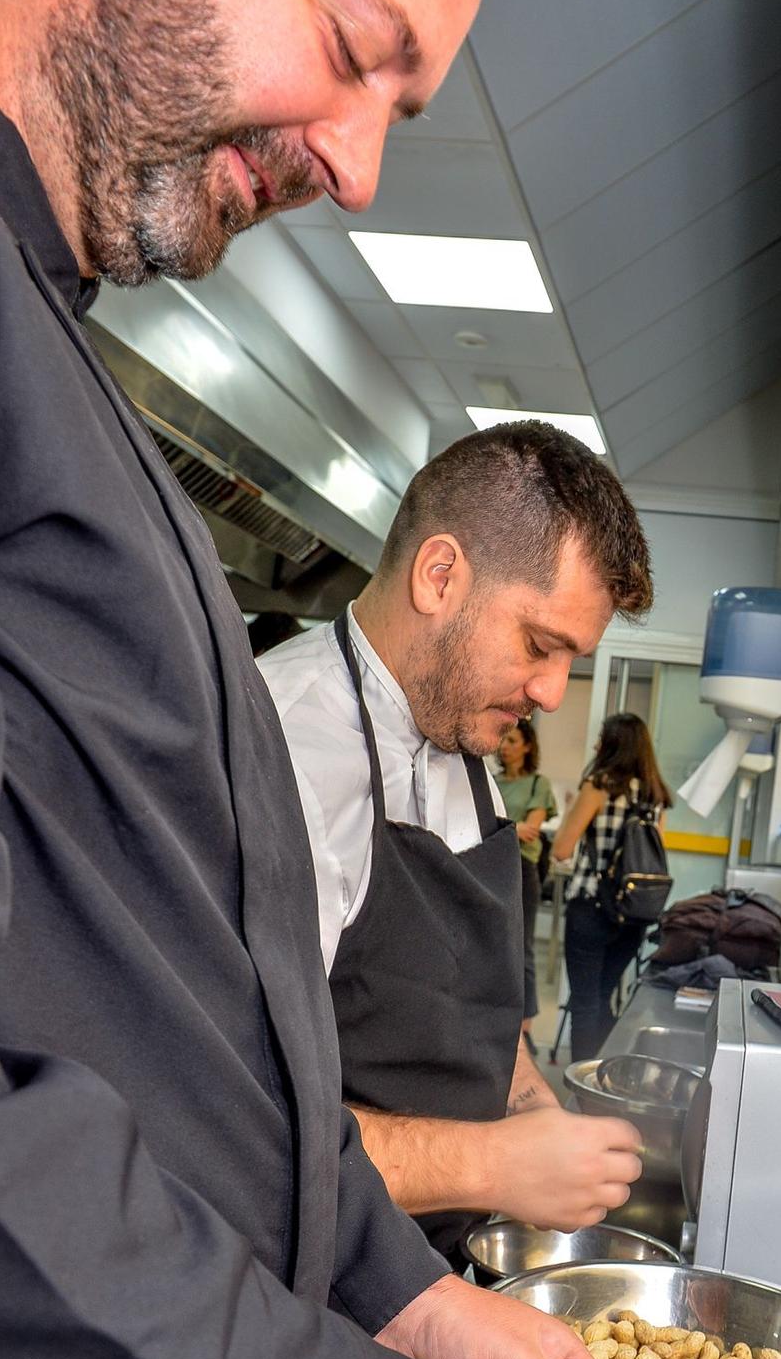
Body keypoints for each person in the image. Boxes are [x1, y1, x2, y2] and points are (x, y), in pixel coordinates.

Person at [0, 0, 628, 1359]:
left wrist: (386, 1289)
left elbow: (157, 1013)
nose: (352, 166)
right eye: (354, 53)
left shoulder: (50, 334)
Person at [261, 422, 653, 1260]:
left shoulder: (461, 732)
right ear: (440, 576)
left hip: (434, 1259)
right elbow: (231, 1118)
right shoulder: (279, 750)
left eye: (571, 662)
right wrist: (492, 1164)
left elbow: (476, 1008)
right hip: (299, 1284)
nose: (551, 693)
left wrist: (532, 1112)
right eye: (540, 645)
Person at [554, 712, 674, 1063]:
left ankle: (582, 1094)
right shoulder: (656, 795)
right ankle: (605, 1081)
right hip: (634, 913)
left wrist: (570, 813)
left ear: (613, 745)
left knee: (585, 1003)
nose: (595, 745)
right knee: (603, 996)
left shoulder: (599, 785)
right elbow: (654, 856)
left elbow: (562, 847)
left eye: (601, 738)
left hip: (592, 906)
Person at [496, 716, 557, 1043]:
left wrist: (500, 826)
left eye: (513, 742)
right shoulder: (490, 781)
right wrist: (512, 828)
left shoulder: (538, 785)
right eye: (504, 740)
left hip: (522, 869)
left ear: (528, 747)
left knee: (524, 947)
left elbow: (531, 829)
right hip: (492, 866)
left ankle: (525, 1026)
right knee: (493, 945)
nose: (505, 747)